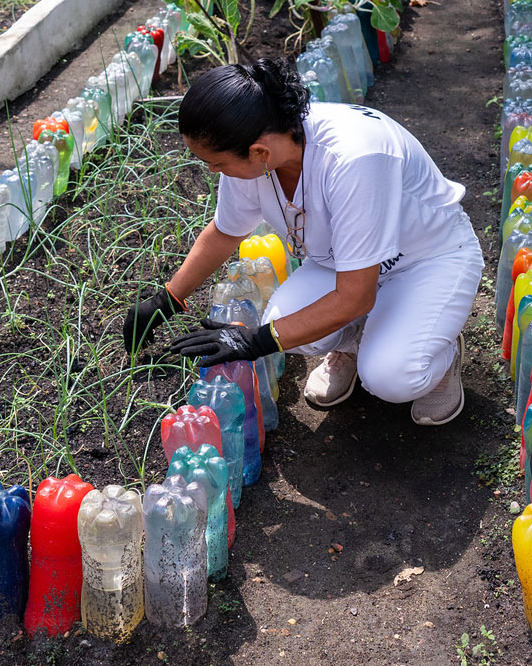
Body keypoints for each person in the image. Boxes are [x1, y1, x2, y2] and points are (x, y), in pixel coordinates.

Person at [121, 59, 483, 426]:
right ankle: (355, 342)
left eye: (216, 164)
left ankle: (440, 351)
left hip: (426, 259)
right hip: (340, 263)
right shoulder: (255, 145)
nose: (213, 171)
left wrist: (254, 342)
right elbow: (227, 231)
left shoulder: (354, 158)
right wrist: (168, 298)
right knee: (287, 330)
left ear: (259, 152)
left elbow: (356, 295)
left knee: (391, 377)